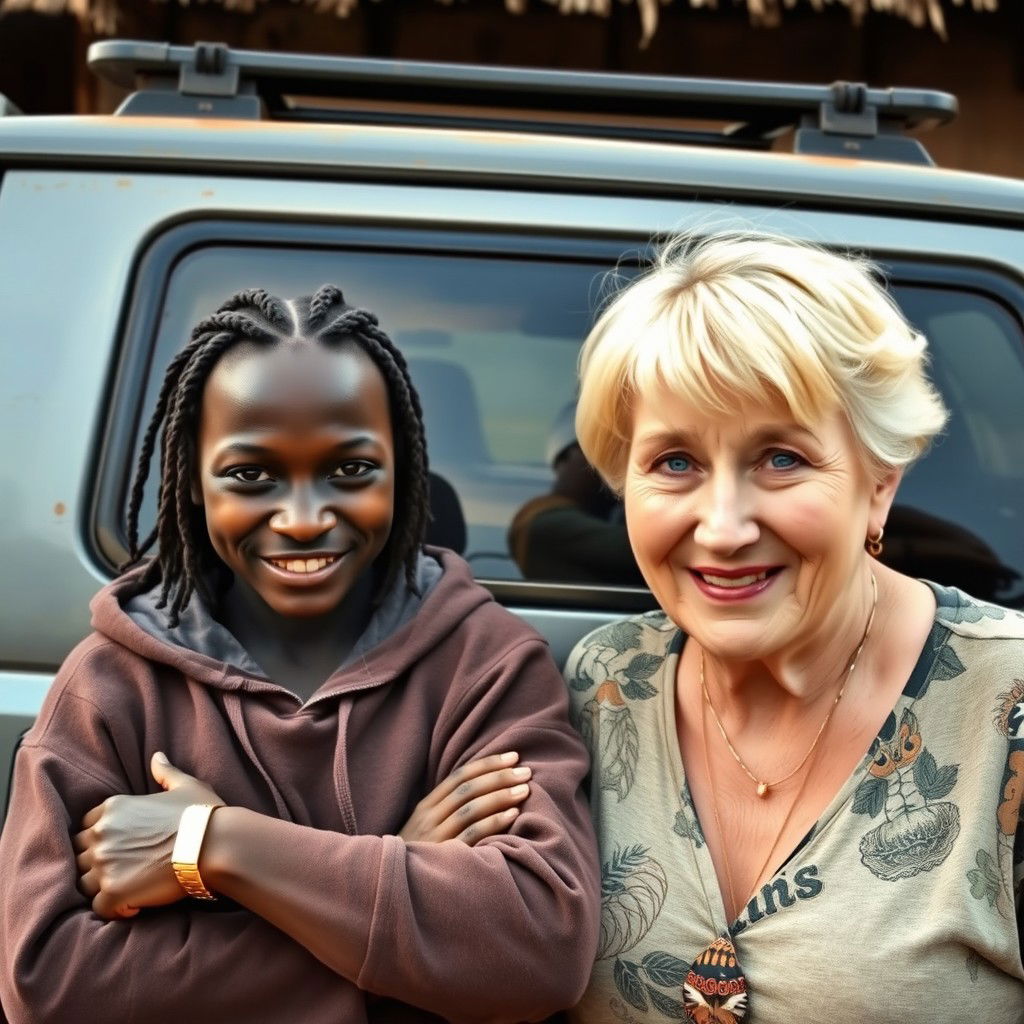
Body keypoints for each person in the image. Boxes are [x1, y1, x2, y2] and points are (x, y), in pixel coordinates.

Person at [0, 286, 599, 1023]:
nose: (306, 519)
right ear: (189, 477)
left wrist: (215, 845)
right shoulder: (112, 683)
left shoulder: (488, 664)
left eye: (350, 471)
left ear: (402, 469)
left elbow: (537, 952)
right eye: (251, 475)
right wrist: (396, 882)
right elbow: (49, 986)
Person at [562, 233, 1024, 1022]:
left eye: (780, 458)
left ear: (880, 483)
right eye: (674, 462)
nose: (723, 526)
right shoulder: (605, 682)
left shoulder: (1006, 706)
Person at [508, 403, 644, 586]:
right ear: (565, 458)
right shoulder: (545, 521)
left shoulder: (599, 518)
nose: (612, 470)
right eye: (596, 454)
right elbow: (644, 550)